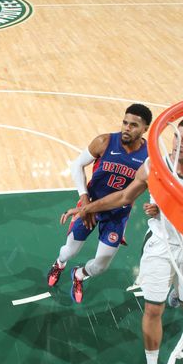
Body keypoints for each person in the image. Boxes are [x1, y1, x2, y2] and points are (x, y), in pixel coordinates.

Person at [61, 116, 183, 364]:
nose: (179, 143)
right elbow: (124, 196)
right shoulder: (156, 164)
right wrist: (86, 207)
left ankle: (179, 295)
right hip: (161, 244)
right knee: (153, 310)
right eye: (177, 136)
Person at [47, 103, 152, 304]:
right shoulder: (104, 141)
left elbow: (146, 189)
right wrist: (85, 200)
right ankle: (59, 264)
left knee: (102, 265)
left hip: (117, 213)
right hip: (90, 206)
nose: (127, 128)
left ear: (145, 129)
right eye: (125, 122)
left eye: (134, 125)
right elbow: (77, 164)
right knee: (69, 250)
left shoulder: (148, 159)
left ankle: (79, 275)